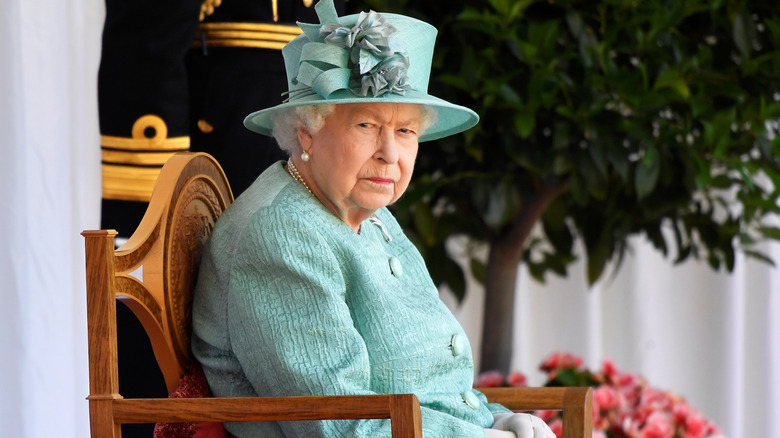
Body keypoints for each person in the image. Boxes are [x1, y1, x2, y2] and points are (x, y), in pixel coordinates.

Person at [191, 1, 554, 437]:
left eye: (405, 131)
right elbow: (342, 426)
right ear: (307, 132)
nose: (391, 154)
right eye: (366, 125)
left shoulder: (367, 211)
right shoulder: (281, 233)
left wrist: (496, 417)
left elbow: (429, 383)